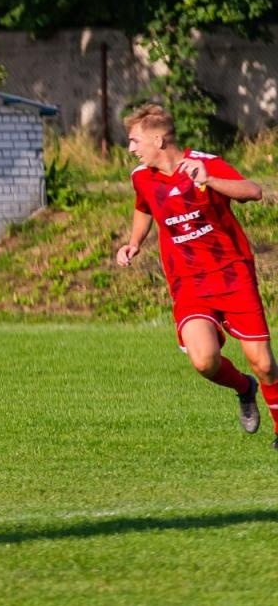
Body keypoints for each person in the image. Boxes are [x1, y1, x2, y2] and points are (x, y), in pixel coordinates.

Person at [115, 104, 278, 445]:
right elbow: (144, 207)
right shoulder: (141, 178)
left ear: (158, 139)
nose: (130, 148)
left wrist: (210, 179)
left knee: (263, 363)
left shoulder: (205, 163)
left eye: (134, 140)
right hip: (188, 283)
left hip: (232, 275)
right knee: (204, 361)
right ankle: (244, 388)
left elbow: (253, 191)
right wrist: (133, 243)